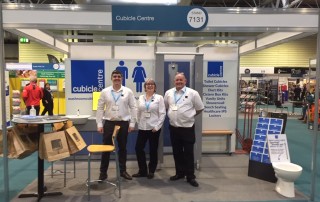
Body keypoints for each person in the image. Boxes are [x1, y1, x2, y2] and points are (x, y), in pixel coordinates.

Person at [164, 72, 204, 187]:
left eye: (181, 80)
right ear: (174, 81)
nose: (179, 82)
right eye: (177, 80)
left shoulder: (193, 93)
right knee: (177, 152)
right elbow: (166, 106)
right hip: (174, 128)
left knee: (188, 153)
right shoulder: (169, 93)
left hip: (187, 128)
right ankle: (179, 173)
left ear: (185, 81)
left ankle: (190, 176)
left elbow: (200, 108)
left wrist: (189, 116)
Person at [96, 70, 137, 181]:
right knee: (106, 148)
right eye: (115, 76)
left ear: (122, 78)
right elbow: (100, 108)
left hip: (123, 123)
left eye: (119, 76)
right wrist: (99, 123)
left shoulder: (128, 91)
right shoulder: (105, 91)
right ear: (111, 78)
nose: (117, 78)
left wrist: (132, 123)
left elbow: (133, 107)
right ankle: (103, 173)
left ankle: (123, 171)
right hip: (109, 123)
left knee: (123, 148)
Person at [132, 78, 166, 179]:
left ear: (155, 87)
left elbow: (162, 113)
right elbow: (138, 112)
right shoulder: (141, 98)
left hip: (154, 128)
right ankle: (142, 170)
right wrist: (138, 122)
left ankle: (151, 170)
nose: (149, 85)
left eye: (151, 84)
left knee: (153, 150)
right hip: (143, 128)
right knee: (138, 148)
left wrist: (157, 126)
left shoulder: (159, 98)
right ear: (145, 87)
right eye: (147, 84)